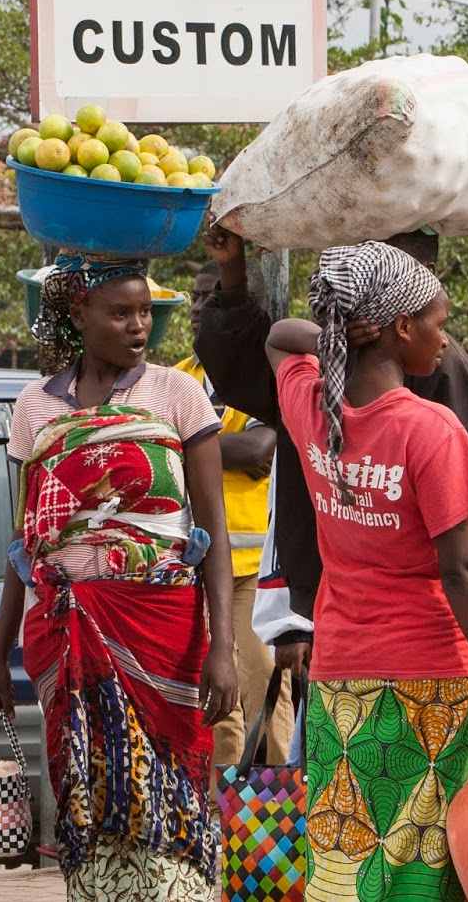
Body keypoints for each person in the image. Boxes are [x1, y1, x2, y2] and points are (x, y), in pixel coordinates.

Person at [264, 240, 468, 902]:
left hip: (338, 682)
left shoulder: (310, 408)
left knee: (349, 862)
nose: (445, 340)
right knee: (432, 866)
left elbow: (279, 337)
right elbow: (462, 572)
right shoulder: (432, 430)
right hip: (434, 684)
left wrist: (337, 334)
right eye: (439, 322)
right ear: (400, 328)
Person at [0, 254, 238, 902]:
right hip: (64, 636)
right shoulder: (34, 407)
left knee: (173, 793)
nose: (138, 327)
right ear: (79, 315)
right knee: (89, 801)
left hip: (163, 633)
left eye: (145, 312)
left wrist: (224, 649)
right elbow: (25, 535)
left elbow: (213, 526)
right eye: (120, 312)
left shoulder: (175, 394)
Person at [195, 226, 468, 676]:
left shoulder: (321, 396)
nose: (442, 338)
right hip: (406, 653)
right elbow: (462, 567)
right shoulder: (346, 398)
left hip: (358, 654)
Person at [176, 260, 292, 767]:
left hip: (254, 567)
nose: (202, 307)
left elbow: (261, 450)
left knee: (264, 682)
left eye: (213, 298)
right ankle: (223, 817)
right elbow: (235, 449)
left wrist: (189, 445)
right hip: (192, 563)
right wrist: (220, 444)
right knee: (214, 696)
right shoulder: (177, 380)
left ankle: (279, 813)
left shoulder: (261, 380)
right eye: (196, 298)